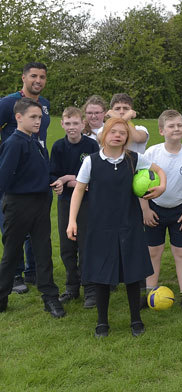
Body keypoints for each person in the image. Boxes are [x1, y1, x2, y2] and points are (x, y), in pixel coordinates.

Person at [66, 117, 166, 338]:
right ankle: (102, 322)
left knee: (132, 275)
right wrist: (72, 221)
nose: (117, 136)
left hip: (129, 225)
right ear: (104, 135)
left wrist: (161, 187)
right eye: (113, 132)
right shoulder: (91, 161)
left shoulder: (134, 159)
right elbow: (79, 190)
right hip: (100, 227)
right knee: (102, 276)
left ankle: (136, 320)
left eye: (122, 133)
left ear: (127, 138)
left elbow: (159, 171)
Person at [0, 98, 64, 317]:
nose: (39, 121)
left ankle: (50, 298)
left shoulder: (35, 141)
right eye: (33, 117)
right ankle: (1, 297)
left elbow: (39, 171)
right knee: (11, 252)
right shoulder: (14, 142)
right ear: (19, 118)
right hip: (18, 205)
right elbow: (4, 177)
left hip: (40, 204)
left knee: (43, 252)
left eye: (40, 117)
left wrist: (50, 182)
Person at [142, 110, 182, 312]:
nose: (176, 129)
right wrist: (145, 210)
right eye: (171, 126)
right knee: (153, 252)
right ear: (161, 131)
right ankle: (150, 292)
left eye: (179, 125)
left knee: (181, 252)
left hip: (181, 211)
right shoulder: (152, 153)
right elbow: (140, 184)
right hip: (155, 210)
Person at [0, 62, 51, 292]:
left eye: (42, 77)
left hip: (38, 175)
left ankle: (33, 271)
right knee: (14, 230)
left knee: (37, 230)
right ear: (23, 78)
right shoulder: (9, 103)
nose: (38, 80)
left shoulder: (46, 106)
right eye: (33, 76)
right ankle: (16, 275)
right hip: (14, 177)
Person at [50, 106, 99, 308]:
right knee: (67, 247)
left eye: (75, 123)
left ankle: (90, 289)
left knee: (86, 245)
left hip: (88, 204)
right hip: (66, 203)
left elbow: (93, 177)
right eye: (68, 123)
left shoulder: (92, 146)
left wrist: (69, 178)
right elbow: (53, 176)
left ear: (83, 124)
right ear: (62, 124)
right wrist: (62, 181)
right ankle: (72, 287)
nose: (72, 127)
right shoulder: (58, 147)